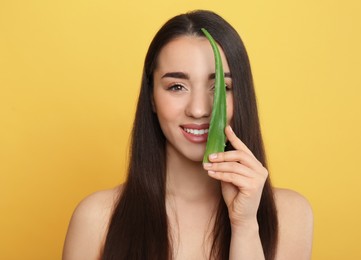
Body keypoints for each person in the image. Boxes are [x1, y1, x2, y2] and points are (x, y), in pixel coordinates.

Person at [62, 10, 313, 260]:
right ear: (151, 97)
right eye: (177, 87)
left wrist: (245, 227)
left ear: (241, 95)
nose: (199, 110)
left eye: (221, 87)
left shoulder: (289, 214)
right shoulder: (97, 218)